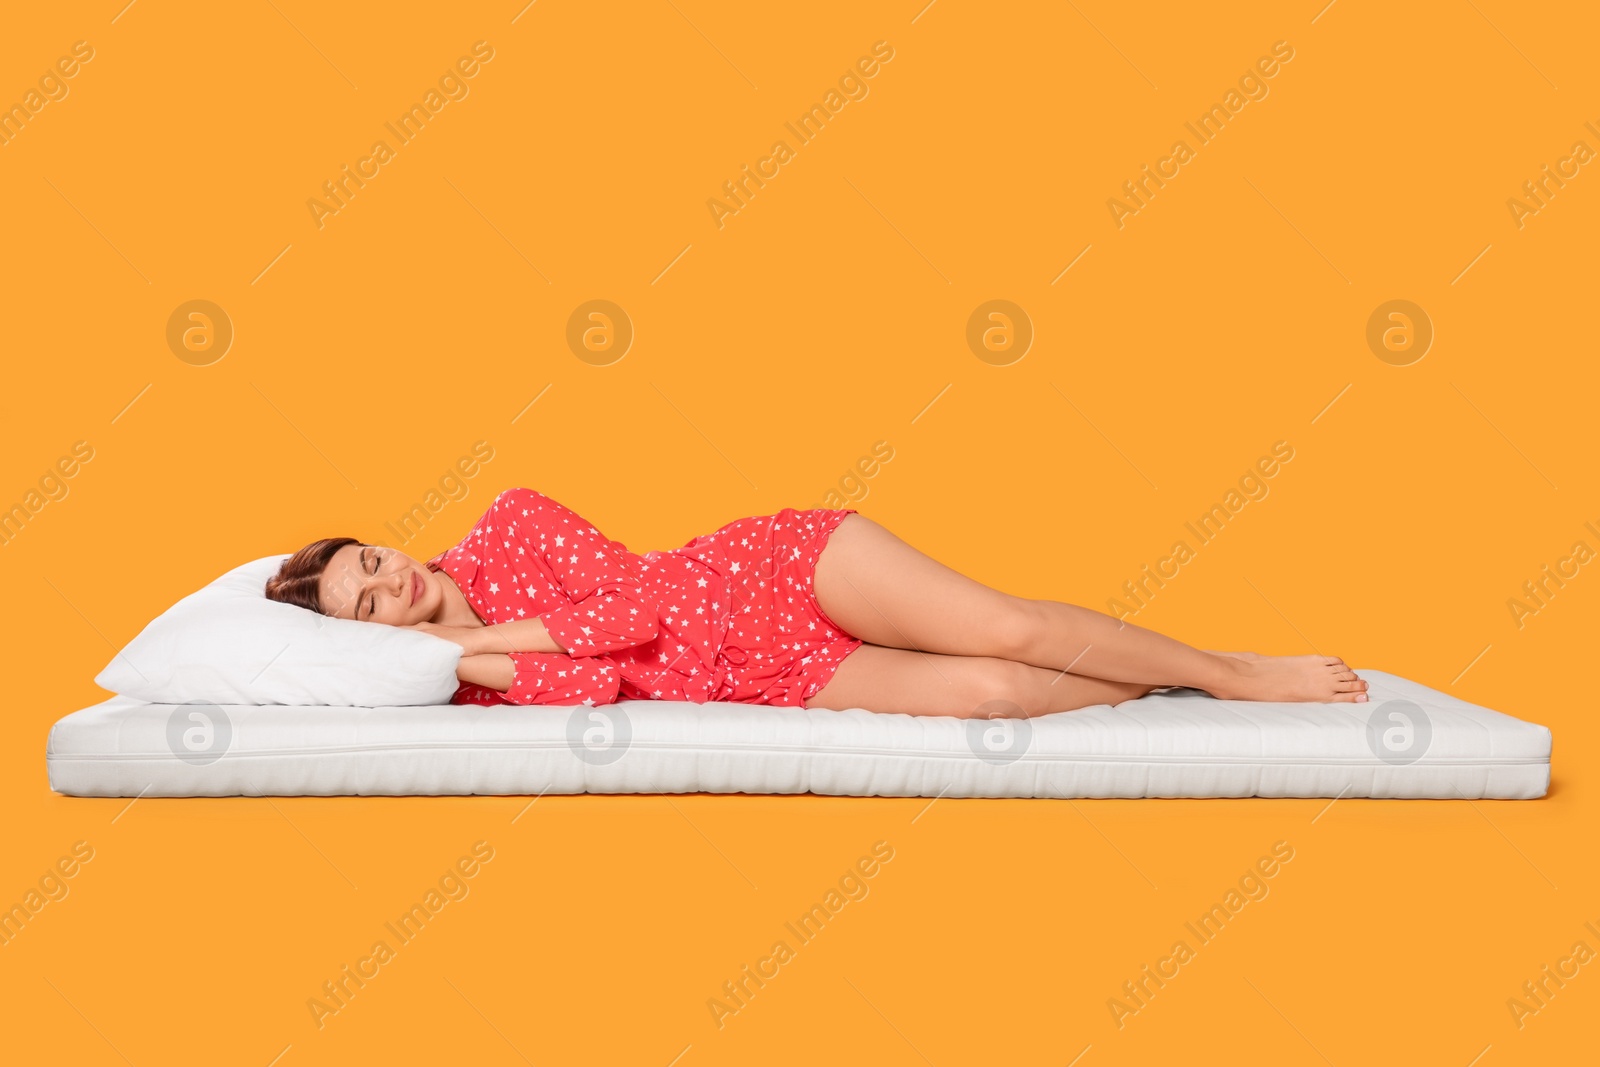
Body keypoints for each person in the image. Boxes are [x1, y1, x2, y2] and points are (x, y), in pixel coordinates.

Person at [263, 487, 1368, 717]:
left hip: (772, 572)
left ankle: (1231, 670)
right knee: (985, 691)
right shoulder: (465, 683)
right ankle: (1164, 675)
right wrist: (458, 654)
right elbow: (595, 679)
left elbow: (631, 611)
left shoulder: (510, 523)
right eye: (366, 605)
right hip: (764, 673)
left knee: (1008, 628)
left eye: (369, 559)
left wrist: (472, 630)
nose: (387, 581)